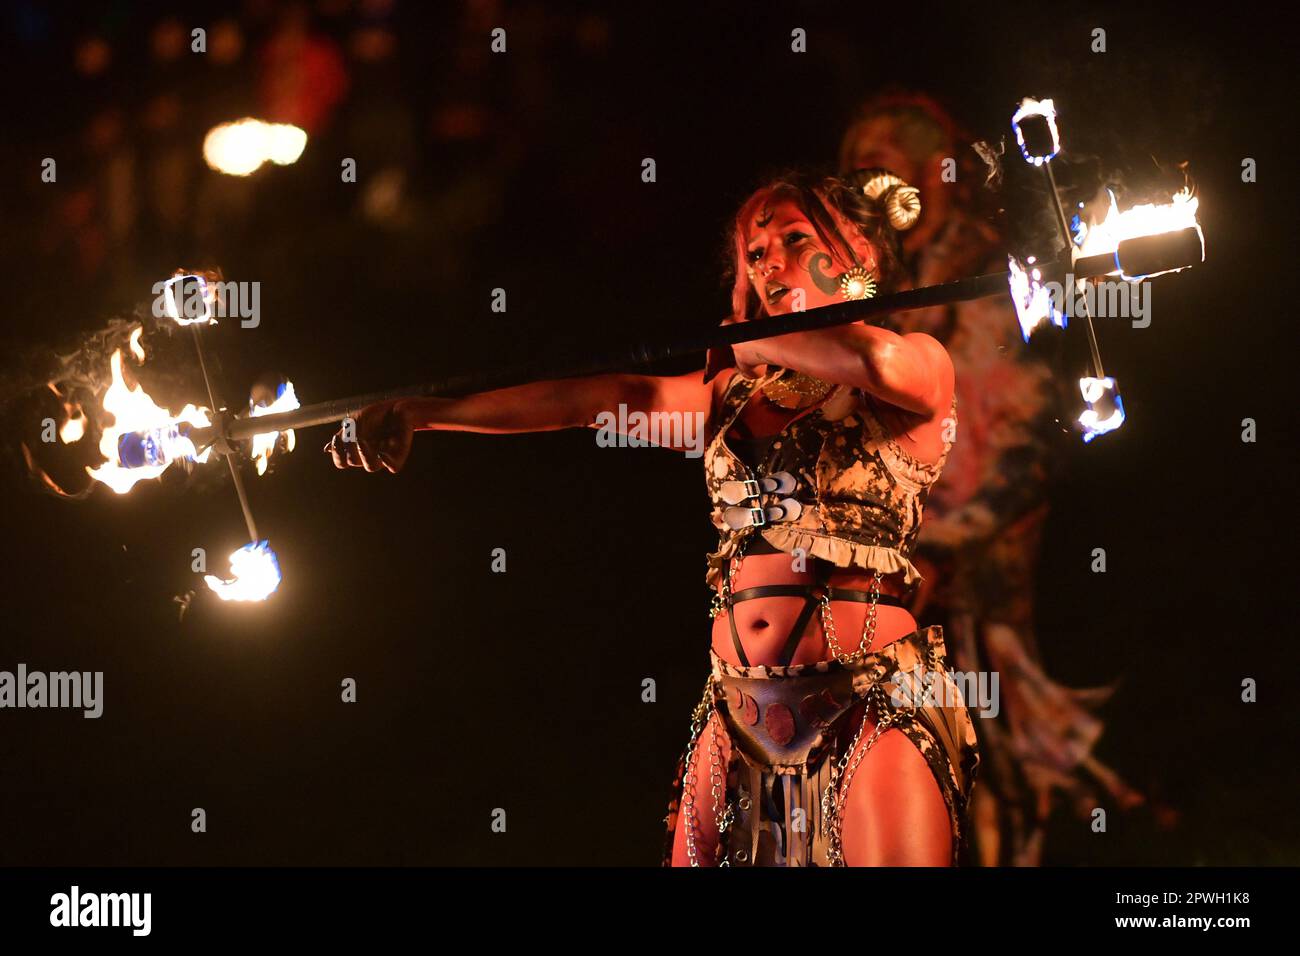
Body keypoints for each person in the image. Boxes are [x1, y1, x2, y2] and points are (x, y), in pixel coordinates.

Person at [326, 167, 979, 867]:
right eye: (756, 255)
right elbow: (594, 400)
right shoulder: (727, 400)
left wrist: (758, 341)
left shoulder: (918, 362)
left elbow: (872, 357)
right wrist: (425, 416)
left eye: (795, 238)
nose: (772, 264)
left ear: (861, 252)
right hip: (738, 708)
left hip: (871, 694)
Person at [839, 92, 1147, 866]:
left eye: (895, 172)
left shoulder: (993, 275)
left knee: (987, 735)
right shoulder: (869, 284)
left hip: (972, 547)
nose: (879, 192)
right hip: (887, 545)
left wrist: (945, 544)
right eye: (863, 173)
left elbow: (1022, 443)